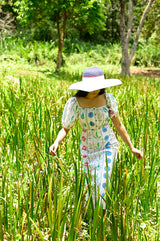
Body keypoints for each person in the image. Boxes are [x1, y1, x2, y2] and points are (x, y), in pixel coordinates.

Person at [49, 66, 143, 206]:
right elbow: (66, 128)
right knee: (92, 186)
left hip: (108, 145)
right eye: (92, 87)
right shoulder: (75, 103)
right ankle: (94, 219)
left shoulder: (108, 99)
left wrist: (132, 147)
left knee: (103, 182)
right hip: (88, 149)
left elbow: (118, 125)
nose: (95, 90)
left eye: (98, 87)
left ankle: (102, 220)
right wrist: (56, 142)